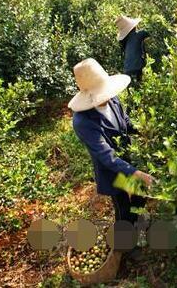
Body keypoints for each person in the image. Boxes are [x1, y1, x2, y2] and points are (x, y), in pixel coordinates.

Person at [68, 58, 155, 258]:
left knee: (139, 195)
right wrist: (135, 173)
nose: (106, 97)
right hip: (112, 172)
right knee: (123, 208)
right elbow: (105, 155)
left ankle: (138, 222)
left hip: (128, 160)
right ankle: (127, 247)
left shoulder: (113, 99)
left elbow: (124, 121)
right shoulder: (83, 121)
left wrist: (143, 131)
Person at [115, 15, 148, 88]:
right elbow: (148, 32)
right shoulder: (138, 35)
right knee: (141, 86)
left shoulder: (125, 42)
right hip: (138, 67)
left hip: (127, 70)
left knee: (133, 88)